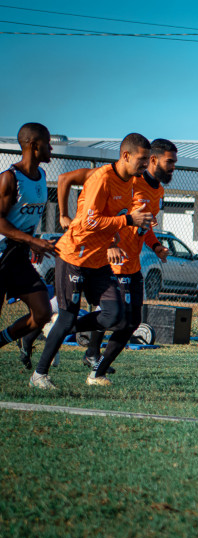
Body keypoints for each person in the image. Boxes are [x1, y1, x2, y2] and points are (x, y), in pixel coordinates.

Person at [31, 133, 155, 389]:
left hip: (99, 262)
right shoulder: (102, 178)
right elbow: (89, 221)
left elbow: (112, 219)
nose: (146, 165)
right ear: (126, 156)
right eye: (142, 159)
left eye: (148, 160)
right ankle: (39, 375)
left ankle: (61, 330)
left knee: (117, 316)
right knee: (67, 317)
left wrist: (118, 237)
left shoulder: (130, 181)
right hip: (74, 256)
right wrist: (128, 220)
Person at [56, 140, 176, 380]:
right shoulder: (129, 179)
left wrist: (156, 246)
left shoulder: (158, 191)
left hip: (133, 262)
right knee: (116, 315)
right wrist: (110, 244)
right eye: (170, 161)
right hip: (114, 260)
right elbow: (104, 213)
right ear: (153, 160)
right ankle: (85, 352)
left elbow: (145, 225)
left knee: (130, 321)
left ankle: (89, 355)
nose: (173, 166)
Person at [0, 123, 55, 364]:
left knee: (42, 312)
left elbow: (25, 219)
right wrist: (32, 240)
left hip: (19, 255)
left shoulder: (41, 176)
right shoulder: (9, 178)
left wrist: (33, 242)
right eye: (47, 143)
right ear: (33, 145)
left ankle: (3, 340)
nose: (51, 148)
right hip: (1, 256)